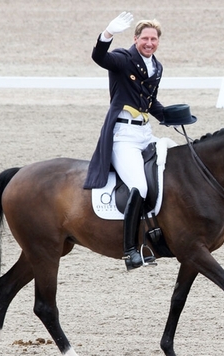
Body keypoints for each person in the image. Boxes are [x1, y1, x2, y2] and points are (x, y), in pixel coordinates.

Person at [83, 12, 166, 271]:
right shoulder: (124, 58)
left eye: (153, 39)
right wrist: (107, 34)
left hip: (144, 133)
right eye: (145, 38)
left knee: (174, 166)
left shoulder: (157, 67)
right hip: (124, 137)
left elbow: (150, 103)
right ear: (136, 38)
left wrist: (173, 115)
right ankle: (130, 249)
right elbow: (100, 58)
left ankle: (158, 234)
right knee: (139, 187)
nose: (149, 43)